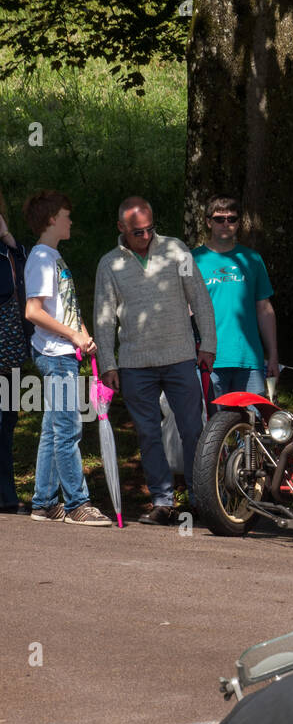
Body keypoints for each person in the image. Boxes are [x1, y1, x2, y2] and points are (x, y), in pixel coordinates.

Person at [94, 197, 217, 525]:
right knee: (148, 434)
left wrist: (209, 343)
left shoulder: (178, 250)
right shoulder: (109, 264)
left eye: (150, 229)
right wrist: (108, 363)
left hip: (180, 357)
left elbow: (200, 298)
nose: (146, 236)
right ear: (121, 228)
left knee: (194, 430)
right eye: (138, 232)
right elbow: (104, 318)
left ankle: (200, 499)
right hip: (135, 363)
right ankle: (163, 502)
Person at [21, 191, 111, 526]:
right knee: (68, 429)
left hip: (65, 353)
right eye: (65, 215)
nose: (70, 220)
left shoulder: (54, 257)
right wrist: (73, 336)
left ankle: (44, 503)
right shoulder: (42, 258)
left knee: (52, 429)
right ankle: (77, 504)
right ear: (50, 219)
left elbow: (67, 308)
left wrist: (83, 334)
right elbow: (33, 311)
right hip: (56, 355)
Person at [191, 195, 278, 397]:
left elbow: (264, 309)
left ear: (239, 223)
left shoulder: (252, 259)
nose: (225, 224)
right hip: (207, 359)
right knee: (212, 426)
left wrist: (273, 355)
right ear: (208, 221)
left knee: (250, 425)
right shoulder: (192, 260)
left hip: (248, 359)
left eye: (232, 219)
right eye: (219, 219)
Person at [0, 188, 30, 514]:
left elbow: (25, 279)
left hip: (10, 353)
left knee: (7, 425)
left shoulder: (13, 252)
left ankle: (6, 495)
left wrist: (8, 239)